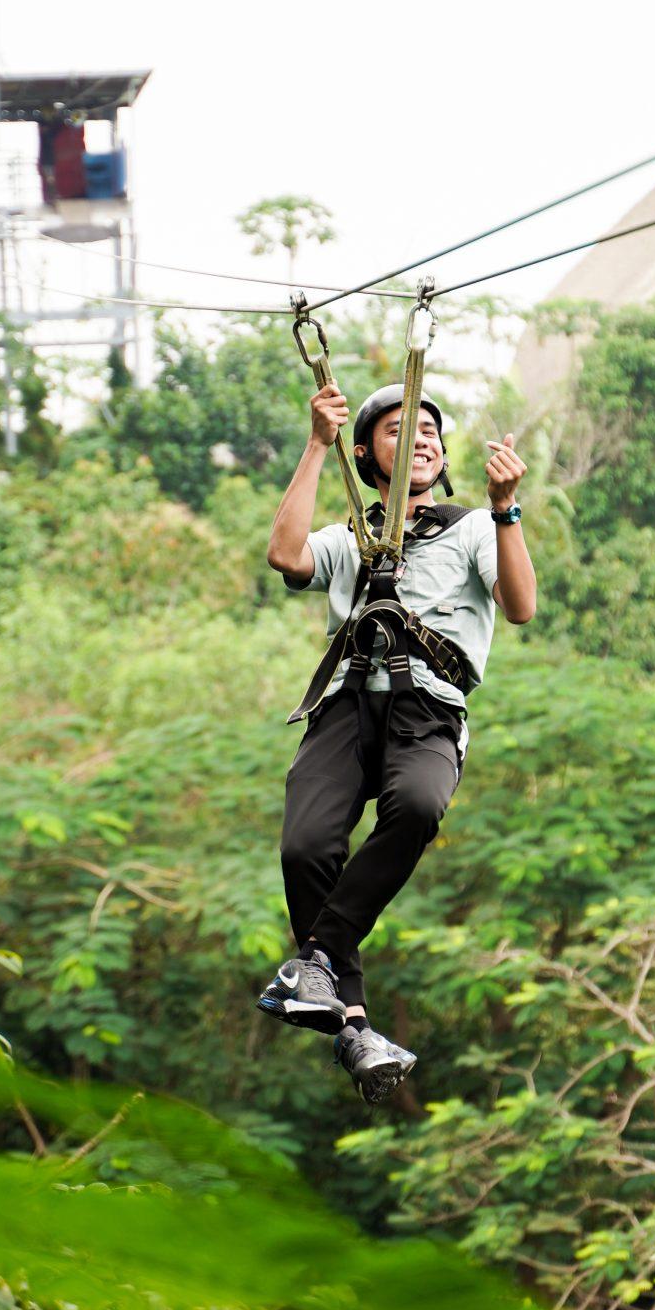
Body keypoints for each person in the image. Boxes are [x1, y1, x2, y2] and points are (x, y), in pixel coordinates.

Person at [259, 380, 536, 1104]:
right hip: (345, 705)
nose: (419, 441)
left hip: (428, 709)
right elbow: (285, 555)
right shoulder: (350, 535)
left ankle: (317, 961)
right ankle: (351, 1024)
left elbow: (520, 607)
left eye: (429, 436)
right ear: (364, 454)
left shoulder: (473, 526)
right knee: (305, 846)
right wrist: (317, 444)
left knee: (415, 806)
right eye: (397, 433)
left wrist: (505, 510)